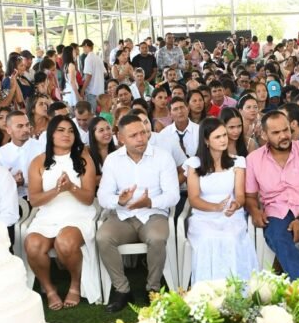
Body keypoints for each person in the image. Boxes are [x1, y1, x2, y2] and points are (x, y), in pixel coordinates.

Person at [96, 114, 181, 312]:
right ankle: (122, 289)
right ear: (121, 138)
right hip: (122, 215)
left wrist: (150, 202)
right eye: (133, 135)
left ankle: (153, 288)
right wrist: (119, 200)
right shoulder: (112, 160)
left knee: (157, 238)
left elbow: (173, 195)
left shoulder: (162, 157)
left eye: (143, 132)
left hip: (153, 214)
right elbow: (103, 196)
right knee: (102, 237)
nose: (141, 138)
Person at [245, 112, 299, 297]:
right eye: (276, 133)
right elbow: (250, 197)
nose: (283, 136)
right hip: (276, 212)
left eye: (286, 130)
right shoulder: (254, 159)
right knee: (281, 241)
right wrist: (254, 211)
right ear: (264, 135)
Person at [24, 115, 98, 310]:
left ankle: (75, 283)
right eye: (61, 130)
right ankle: (49, 289)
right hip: (47, 216)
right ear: (51, 135)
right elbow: (34, 200)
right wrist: (57, 190)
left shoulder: (84, 159)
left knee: (64, 242)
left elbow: (88, 198)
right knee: (32, 244)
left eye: (71, 131)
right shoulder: (38, 162)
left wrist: (71, 187)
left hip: (78, 214)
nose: (67, 134)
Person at [184, 117, 258, 283]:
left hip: (232, 215)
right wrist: (215, 207)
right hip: (203, 216)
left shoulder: (237, 162)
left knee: (231, 238)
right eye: (217, 137)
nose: (223, 139)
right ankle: (210, 289)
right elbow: (193, 199)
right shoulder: (194, 164)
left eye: (224, 135)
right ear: (206, 140)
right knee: (208, 239)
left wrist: (235, 204)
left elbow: (240, 195)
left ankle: (235, 288)